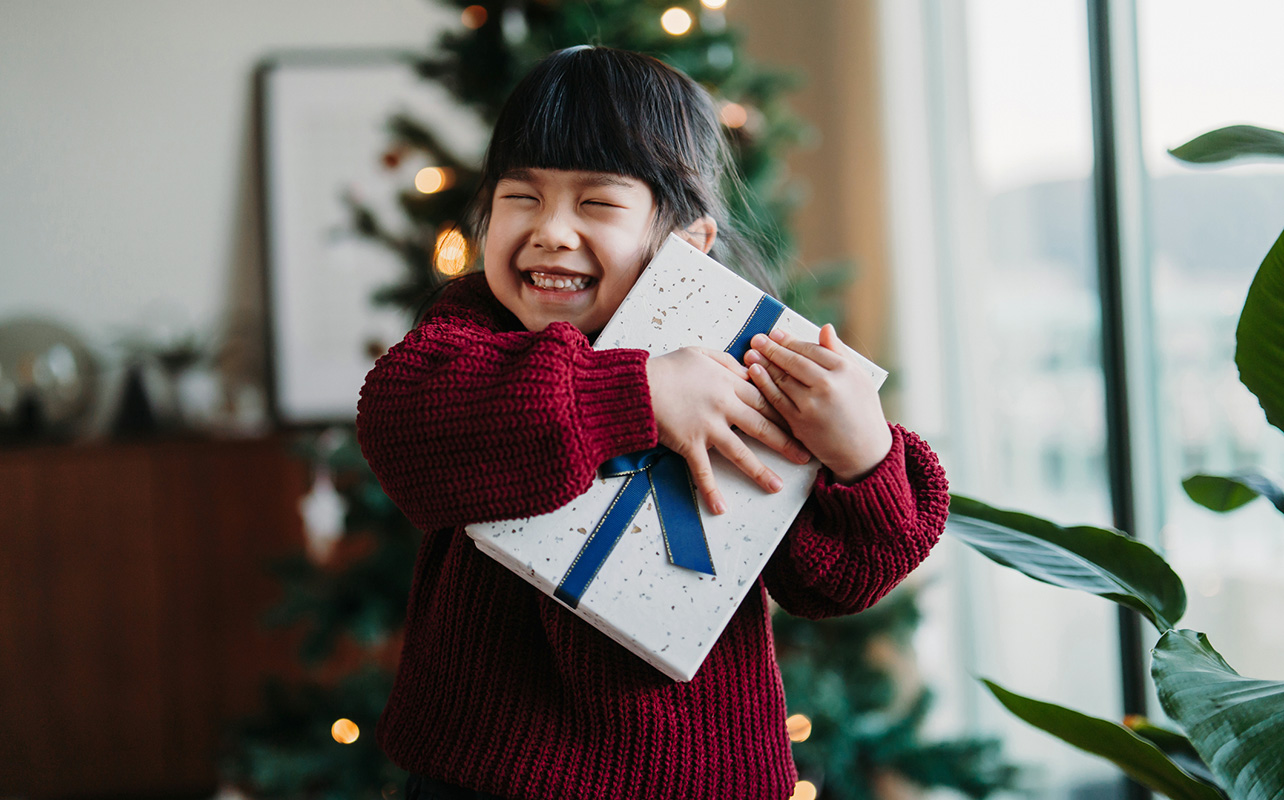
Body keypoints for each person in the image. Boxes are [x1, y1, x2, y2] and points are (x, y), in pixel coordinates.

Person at [357, 46, 948, 800]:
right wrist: (637, 393)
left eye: (597, 203)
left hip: (696, 777)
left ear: (688, 242)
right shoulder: (470, 334)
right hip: (480, 771)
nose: (551, 232)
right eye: (521, 198)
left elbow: (834, 580)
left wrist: (864, 461)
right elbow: (406, 434)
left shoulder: (745, 362)